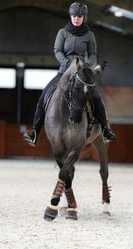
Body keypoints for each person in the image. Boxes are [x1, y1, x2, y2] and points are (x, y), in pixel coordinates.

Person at [23, 2, 116, 146]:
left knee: (96, 98)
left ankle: (105, 130)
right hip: (63, 72)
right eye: (74, 16)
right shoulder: (63, 33)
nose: (76, 19)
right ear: (70, 16)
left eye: (79, 16)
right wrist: (66, 63)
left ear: (83, 17)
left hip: (82, 73)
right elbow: (57, 51)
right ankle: (35, 132)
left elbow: (92, 55)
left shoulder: (89, 35)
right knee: (43, 97)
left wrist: (88, 66)